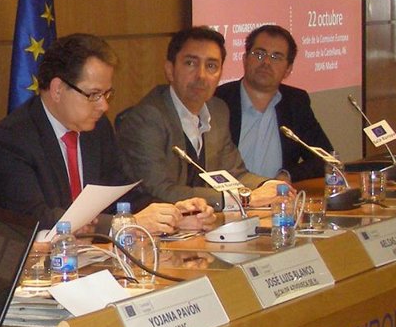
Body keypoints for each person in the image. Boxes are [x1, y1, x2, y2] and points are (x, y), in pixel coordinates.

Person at [0, 33, 213, 234]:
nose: (104, 106)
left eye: (106, 94)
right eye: (94, 95)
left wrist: (172, 213)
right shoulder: (11, 140)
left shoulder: (96, 129)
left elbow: (123, 194)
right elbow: (37, 220)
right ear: (58, 89)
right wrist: (127, 224)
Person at [117, 25, 286, 210]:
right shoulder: (147, 118)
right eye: (191, 63)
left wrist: (270, 186)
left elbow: (235, 172)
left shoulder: (218, 110)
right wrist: (241, 199)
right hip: (157, 222)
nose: (201, 76)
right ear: (170, 70)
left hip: (204, 220)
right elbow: (160, 189)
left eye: (211, 66)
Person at [215, 23, 335, 182]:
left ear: (288, 69)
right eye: (259, 54)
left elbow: (326, 159)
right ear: (245, 59)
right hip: (229, 195)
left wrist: (288, 175)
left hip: (277, 195)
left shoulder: (295, 102)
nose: (266, 62)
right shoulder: (219, 100)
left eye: (276, 57)